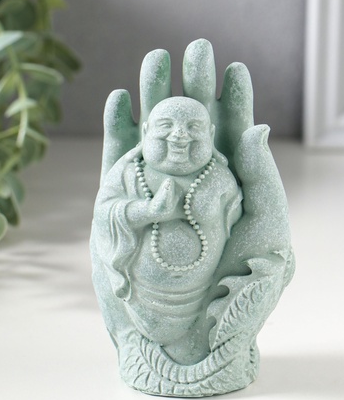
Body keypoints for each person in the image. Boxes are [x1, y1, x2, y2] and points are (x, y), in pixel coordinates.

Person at [92, 96, 242, 363]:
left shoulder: (218, 176)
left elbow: (236, 222)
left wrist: (212, 203)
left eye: (193, 127)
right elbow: (104, 212)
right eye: (166, 125)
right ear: (146, 131)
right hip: (142, 296)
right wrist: (149, 211)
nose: (180, 135)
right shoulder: (129, 172)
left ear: (211, 134)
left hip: (200, 296)